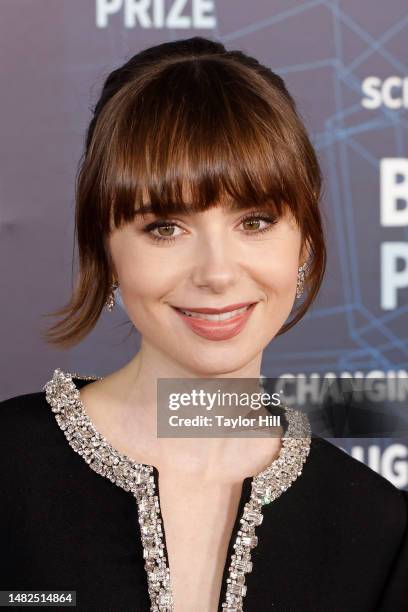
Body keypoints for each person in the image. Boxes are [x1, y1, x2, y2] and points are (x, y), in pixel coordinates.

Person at [0, 36, 406, 612]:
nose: (217, 273)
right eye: (165, 226)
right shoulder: (10, 469)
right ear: (104, 244)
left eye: (256, 220)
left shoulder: (375, 524)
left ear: (306, 239)